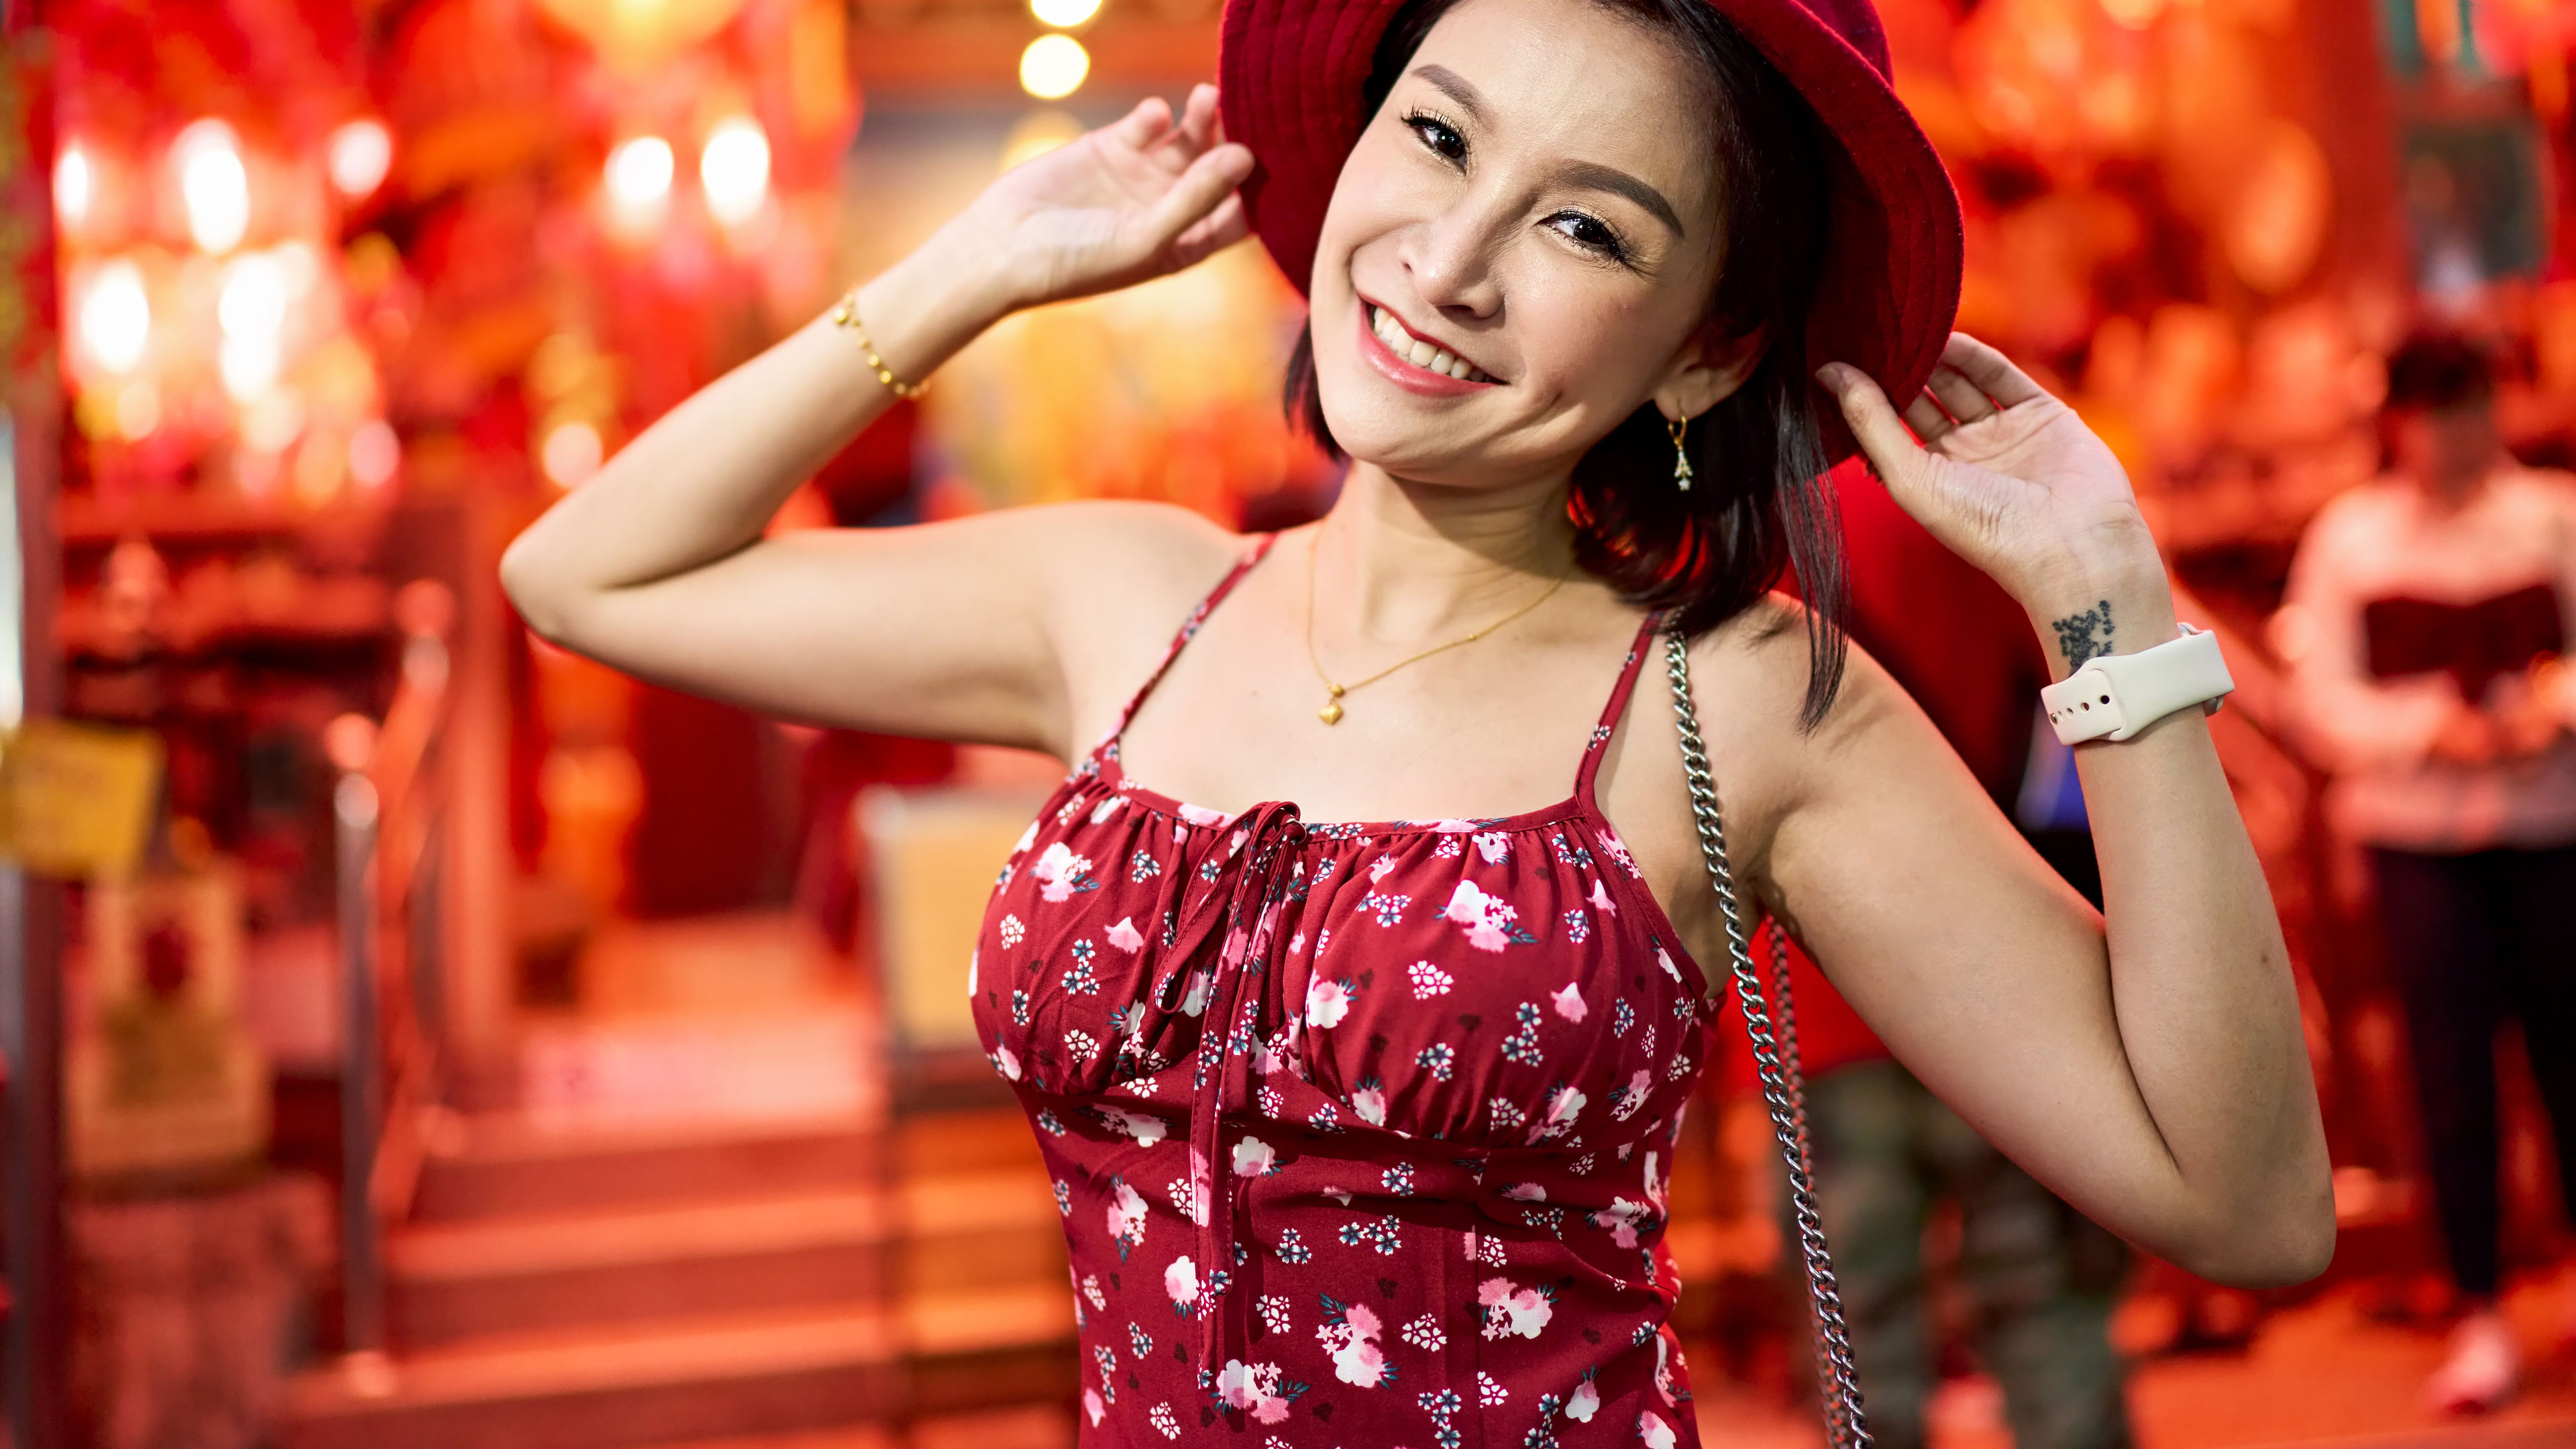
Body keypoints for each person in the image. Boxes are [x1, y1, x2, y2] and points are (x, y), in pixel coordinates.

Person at [500, 0, 2333, 1440]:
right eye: (1436, 136)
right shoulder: (1128, 603)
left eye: (1585, 229)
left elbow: (2245, 1206)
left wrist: (2113, 610)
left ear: (1703, 348)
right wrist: (973, 270)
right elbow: (591, 578)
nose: (1447, 262)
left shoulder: (1736, 695)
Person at [1735, 464, 2130, 1449]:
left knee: (1861, 1344)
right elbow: (2068, 721)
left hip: (1817, 1002)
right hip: (1996, 983)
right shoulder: (1965, 496)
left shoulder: (1720, 525)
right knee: (2044, 1303)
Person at [2280, 329, 2576, 1414]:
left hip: (2552, 825)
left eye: (2470, 408)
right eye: (2432, 413)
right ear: (2395, 423)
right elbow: (2324, 701)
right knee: (2449, 1081)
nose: (2453, 436)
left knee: (2567, 1058)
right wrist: (2426, 734)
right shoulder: (2351, 540)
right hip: (2418, 842)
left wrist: (2548, 712)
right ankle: (2480, 1308)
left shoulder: (2551, 516)